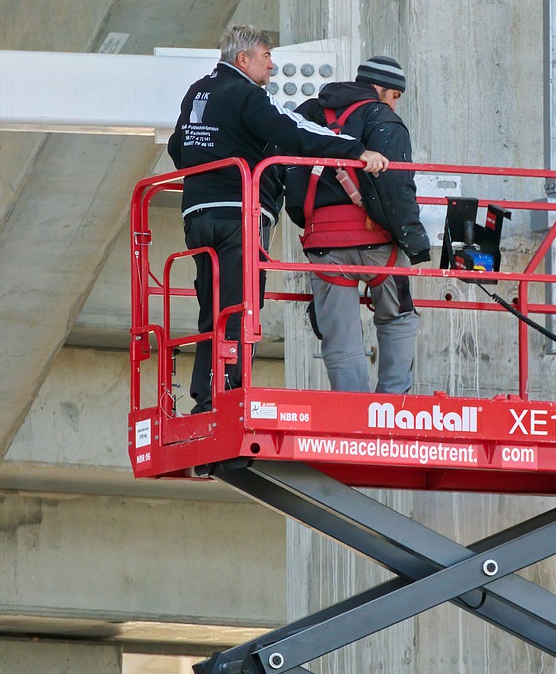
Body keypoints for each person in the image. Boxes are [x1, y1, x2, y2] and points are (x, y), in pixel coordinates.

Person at [167, 25, 389, 412]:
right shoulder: (247, 94)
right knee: (241, 304)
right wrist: (356, 151)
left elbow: (177, 146)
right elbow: (294, 131)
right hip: (240, 213)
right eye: (266, 56)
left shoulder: (198, 91)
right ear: (243, 59)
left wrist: (207, 177)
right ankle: (230, 395)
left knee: (212, 306)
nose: (272, 65)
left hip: (197, 214)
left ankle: (205, 394)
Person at [285, 56, 431, 394]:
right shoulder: (380, 116)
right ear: (380, 89)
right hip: (375, 242)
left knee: (340, 333)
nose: (394, 103)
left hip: (323, 243)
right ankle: (392, 406)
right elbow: (396, 186)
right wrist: (413, 239)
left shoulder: (307, 114)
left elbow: (285, 171)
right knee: (398, 315)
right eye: (395, 95)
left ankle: (351, 411)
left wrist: (309, 219)